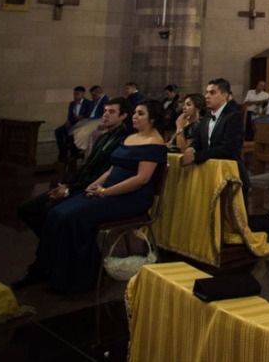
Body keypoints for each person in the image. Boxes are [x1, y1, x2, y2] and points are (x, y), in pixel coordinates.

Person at [27, 100, 167, 292]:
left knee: (72, 218)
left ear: (153, 118)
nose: (135, 116)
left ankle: (77, 279)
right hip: (108, 191)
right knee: (56, 212)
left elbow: (142, 179)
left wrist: (106, 192)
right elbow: (112, 168)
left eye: (141, 113)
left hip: (130, 198)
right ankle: (47, 269)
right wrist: (95, 184)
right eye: (135, 112)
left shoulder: (155, 142)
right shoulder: (131, 137)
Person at [18, 98, 131, 249]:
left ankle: (55, 249)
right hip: (79, 184)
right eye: (104, 111)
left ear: (123, 116)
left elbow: (104, 173)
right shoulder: (104, 136)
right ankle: (54, 247)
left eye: (111, 112)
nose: (105, 115)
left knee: (51, 211)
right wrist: (66, 185)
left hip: (94, 188)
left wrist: (69, 191)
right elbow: (86, 167)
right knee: (27, 209)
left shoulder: (124, 139)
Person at [181, 78, 249, 196]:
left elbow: (228, 149)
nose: (206, 96)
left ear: (225, 95)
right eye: (206, 92)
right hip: (210, 171)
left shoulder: (233, 116)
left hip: (229, 174)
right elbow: (198, 140)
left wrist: (196, 156)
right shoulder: (207, 116)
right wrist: (191, 148)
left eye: (212, 93)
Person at [54, 85, 91, 159]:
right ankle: (63, 150)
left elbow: (89, 115)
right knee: (58, 131)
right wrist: (68, 121)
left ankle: (74, 152)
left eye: (77, 94)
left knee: (72, 133)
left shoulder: (88, 103)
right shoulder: (72, 103)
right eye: (74, 94)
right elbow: (70, 115)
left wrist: (82, 117)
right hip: (73, 122)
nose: (75, 96)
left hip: (82, 123)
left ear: (83, 94)